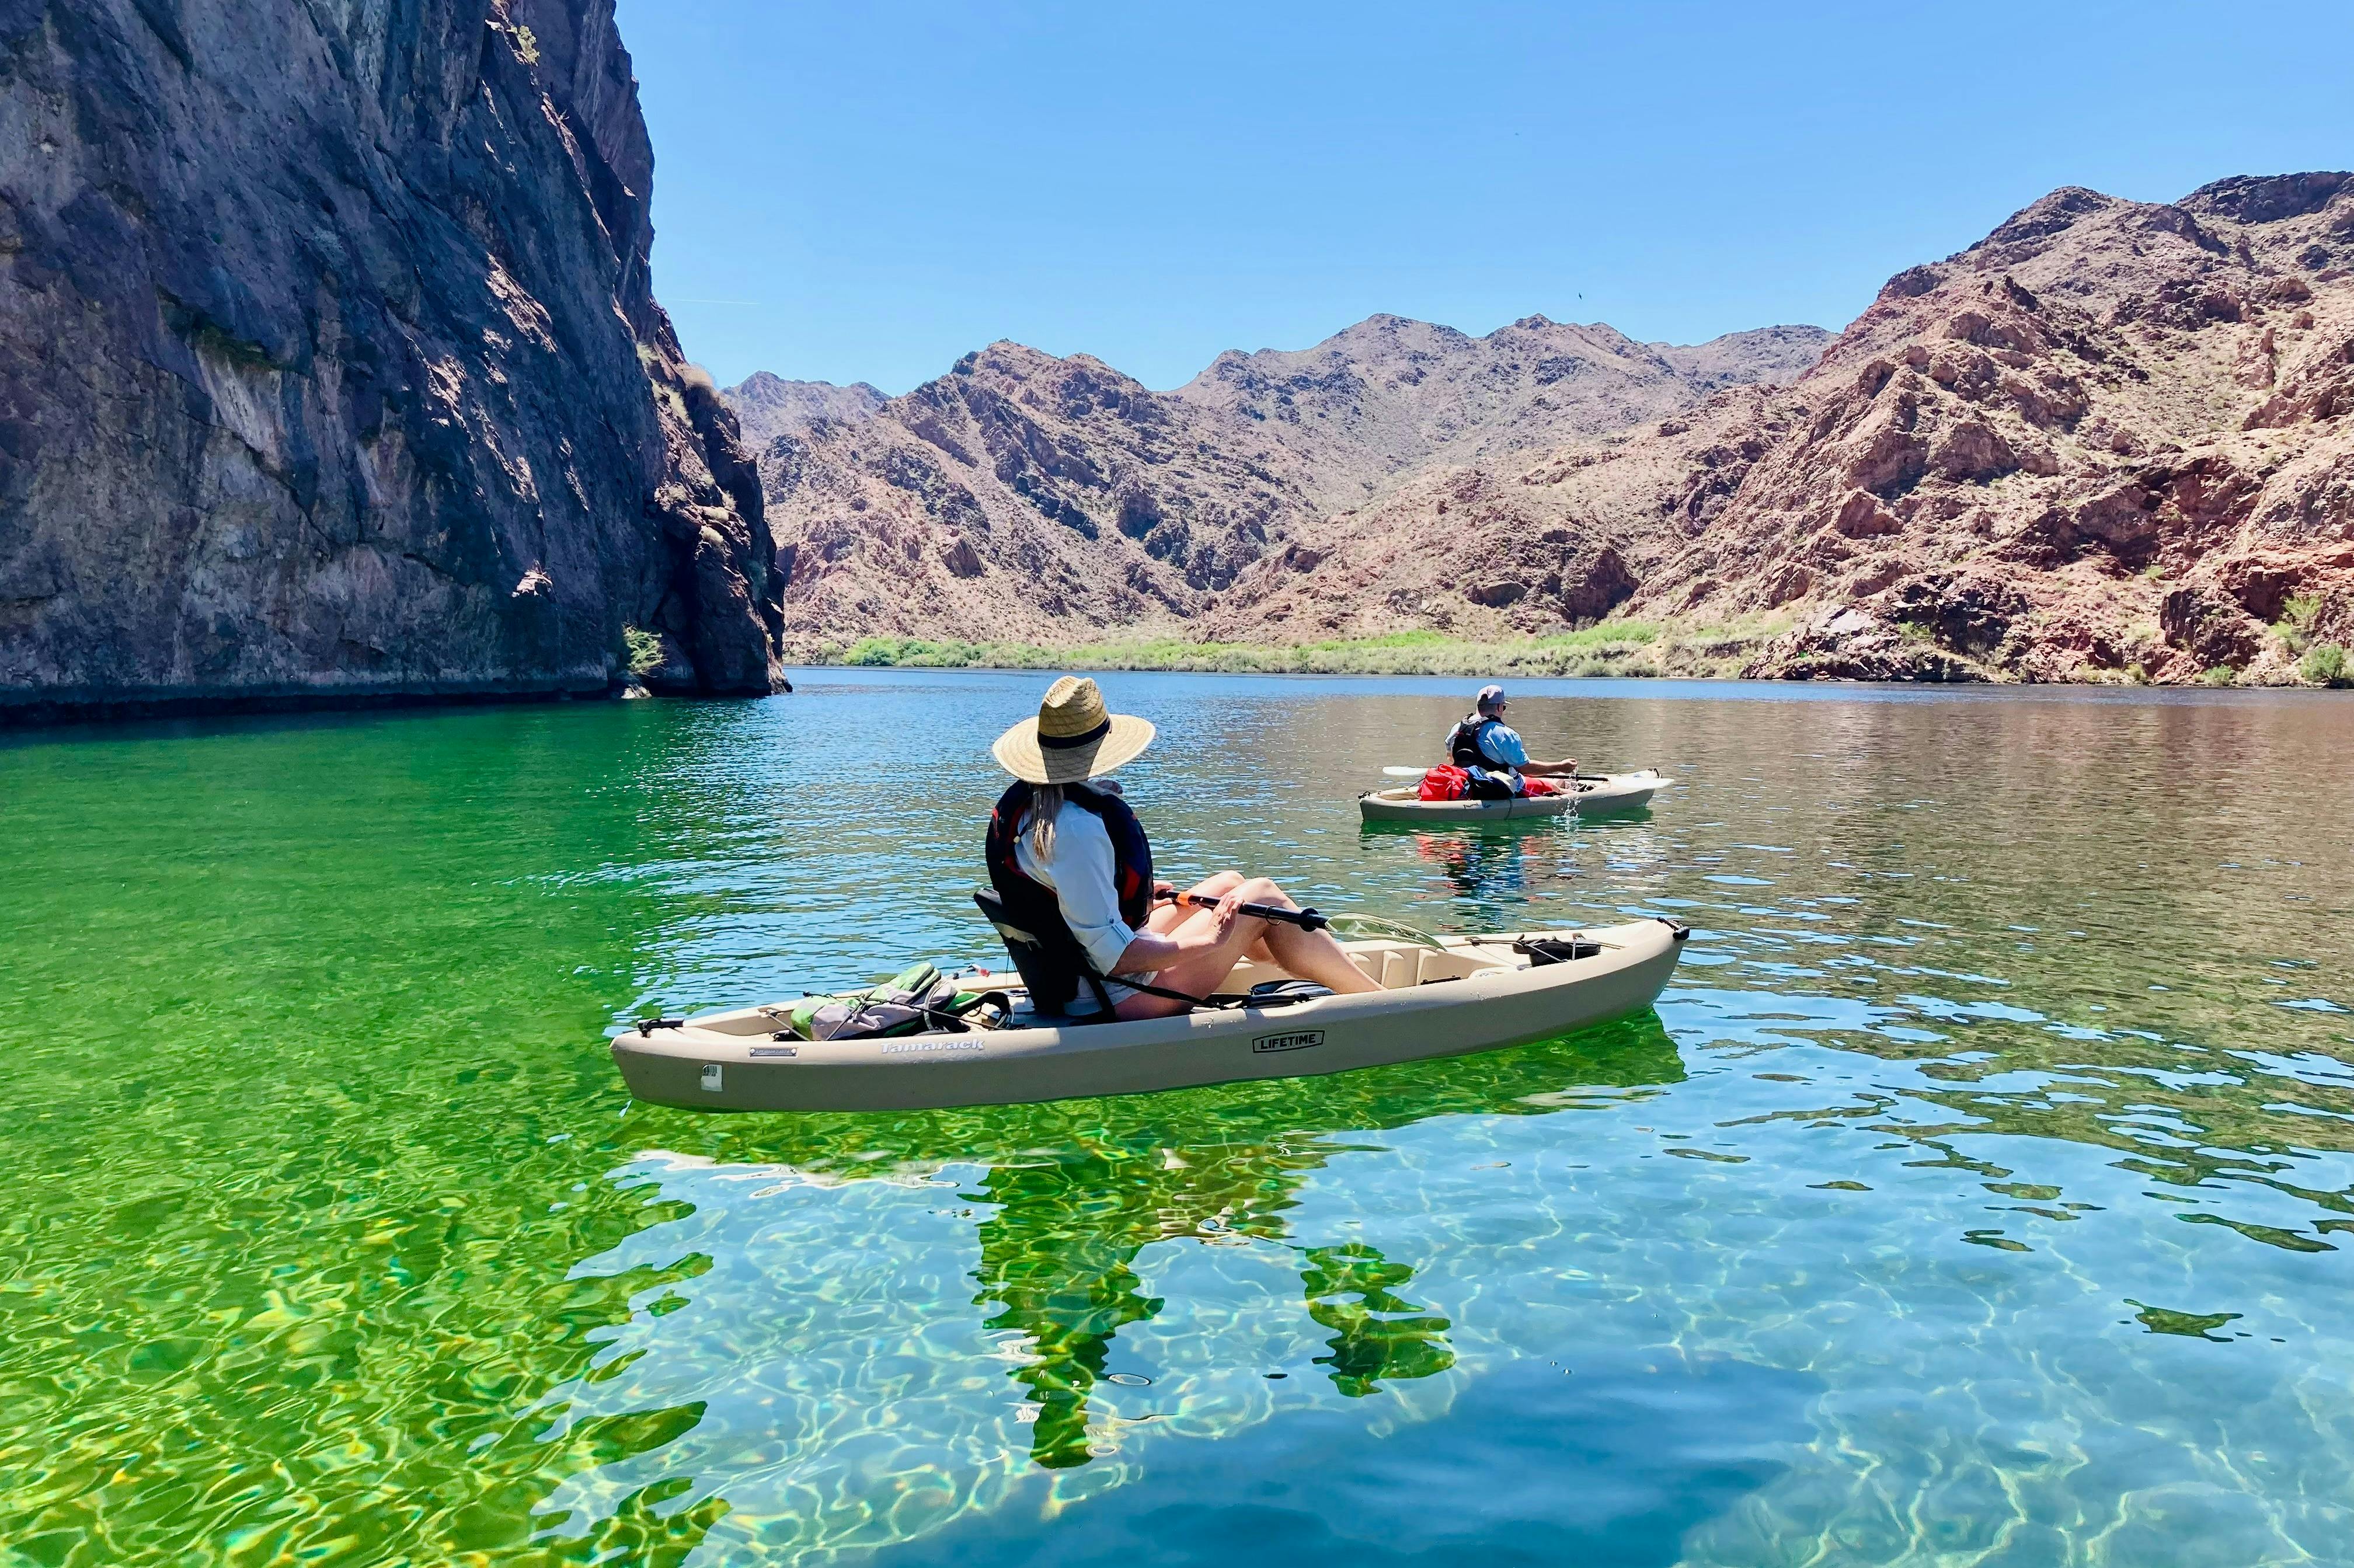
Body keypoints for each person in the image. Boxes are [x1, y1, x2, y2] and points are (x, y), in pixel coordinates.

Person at [986, 676, 1382, 1020]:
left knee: (1229, 883)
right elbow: (1116, 958)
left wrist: (1140, 900)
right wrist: (1211, 941)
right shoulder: (1076, 828)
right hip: (1119, 994)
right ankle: (1380, 1004)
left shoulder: (1032, 806)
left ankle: (1315, 962)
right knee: (1261, 897)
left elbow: (1068, 900)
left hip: (1082, 973)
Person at [1443, 684, 1581, 799]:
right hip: (1500, 787)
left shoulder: (1457, 728)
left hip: (1466, 785)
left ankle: (1562, 780)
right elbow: (1526, 769)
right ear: (1498, 707)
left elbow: (1451, 758)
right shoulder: (1505, 734)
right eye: (1503, 707)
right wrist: (1560, 766)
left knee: (1560, 779)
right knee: (1556, 788)